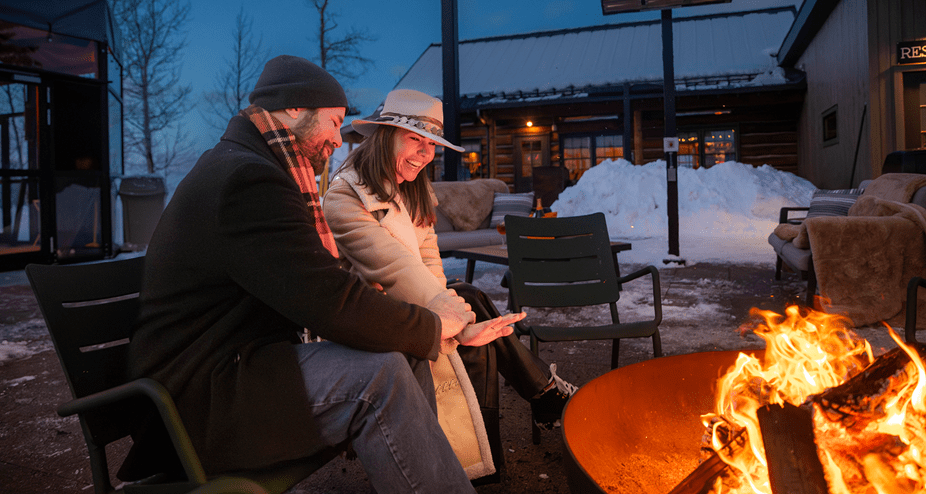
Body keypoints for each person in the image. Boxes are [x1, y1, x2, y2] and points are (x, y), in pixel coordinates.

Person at [122, 56, 509, 494]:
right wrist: (431, 324)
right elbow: (328, 298)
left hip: (235, 363)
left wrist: (428, 329)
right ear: (293, 110)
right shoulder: (246, 181)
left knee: (402, 354)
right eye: (332, 122)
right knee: (380, 376)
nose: (336, 138)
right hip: (201, 395)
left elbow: (321, 286)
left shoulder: (251, 165)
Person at [323, 89, 577, 474]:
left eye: (431, 145)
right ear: (385, 135)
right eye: (415, 140)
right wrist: (450, 316)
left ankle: (484, 459)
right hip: (371, 314)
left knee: (469, 305)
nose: (424, 154)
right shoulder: (345, 195)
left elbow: (426, 257)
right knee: (467, 312)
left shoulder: (414, 186)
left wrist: (452, 311)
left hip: (411, 300)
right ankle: (540, 394)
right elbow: (391, 266)